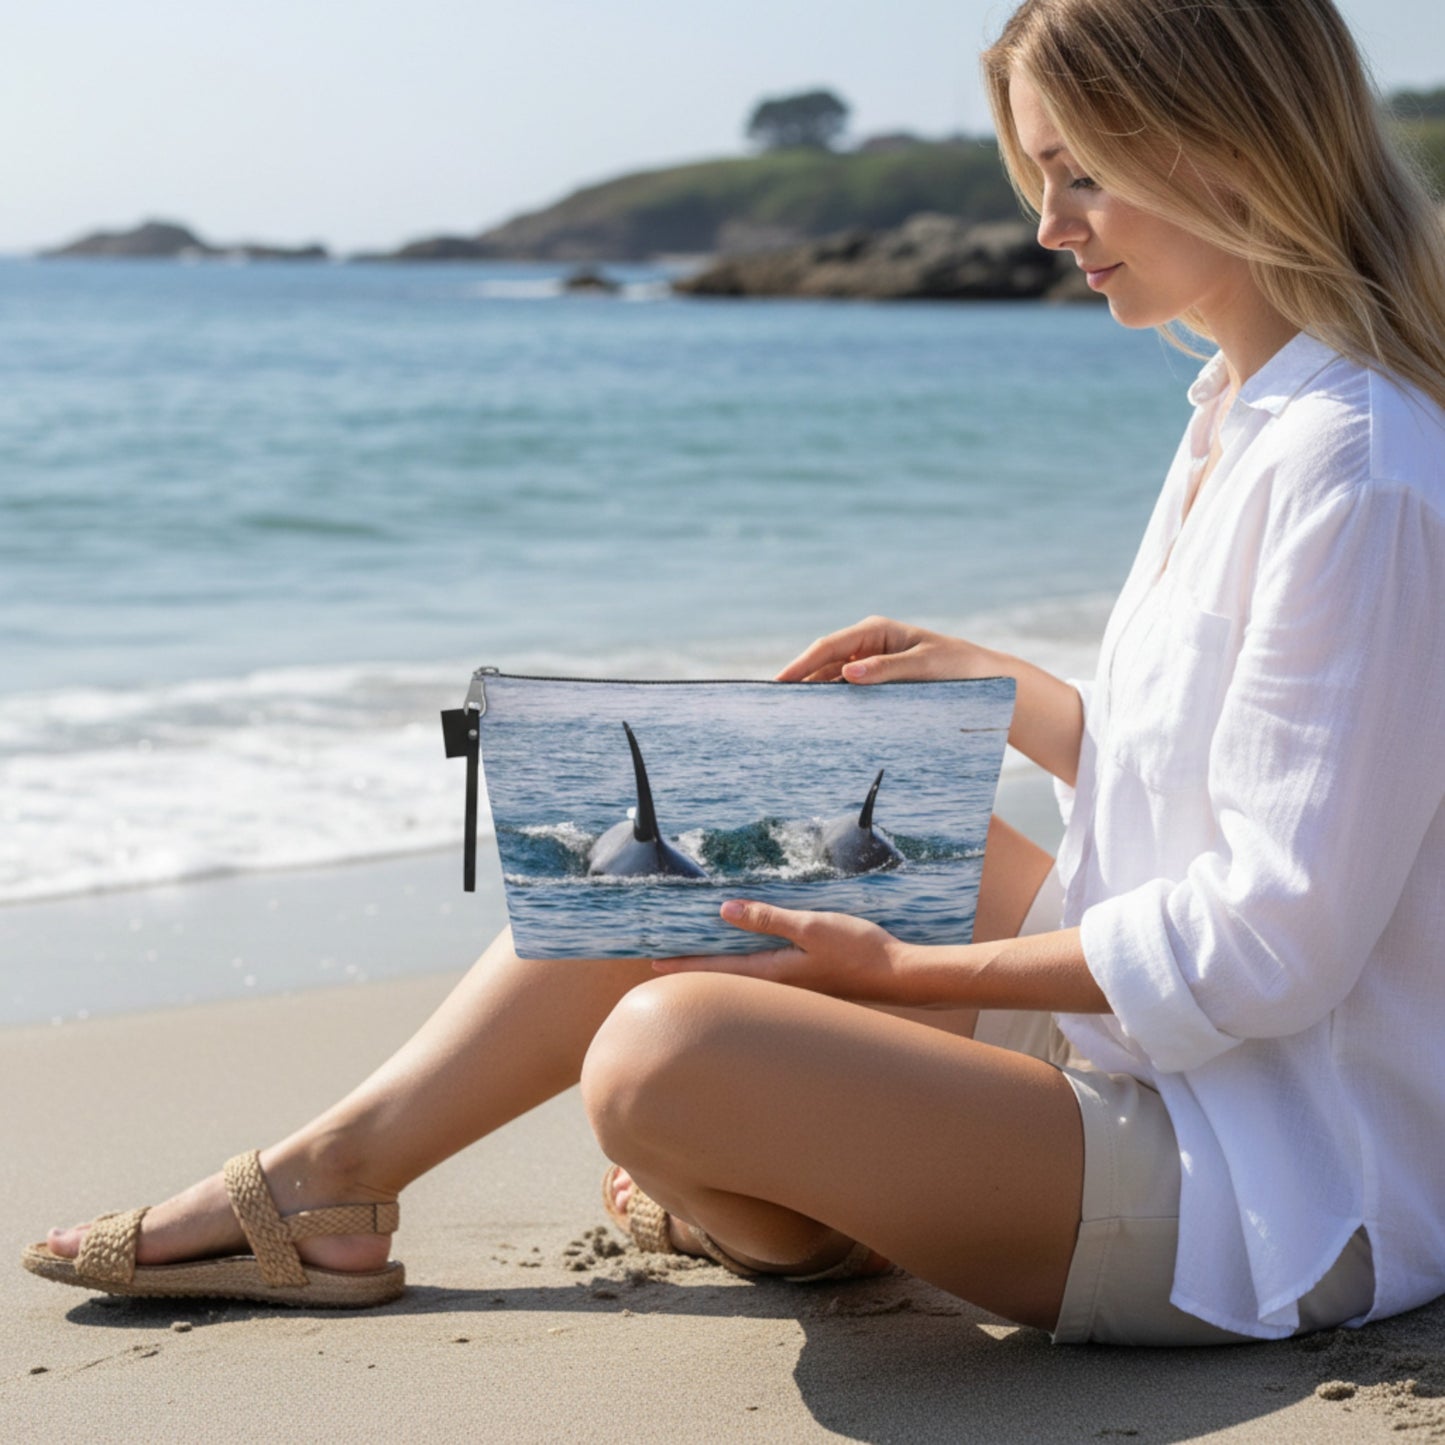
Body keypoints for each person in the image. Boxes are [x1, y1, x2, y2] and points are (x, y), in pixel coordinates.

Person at [23, 0, 1445, 1343]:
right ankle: (333, 1176)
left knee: (661, 1053)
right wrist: (1026, 702)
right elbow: (1243, 780)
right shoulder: (1239, 413)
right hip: (1170, 1051)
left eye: (1076, 174)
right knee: (700, 831)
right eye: (1037, 174)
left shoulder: (1353, 461)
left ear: (1221, 141)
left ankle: (794, 1207)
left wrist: (910, 972)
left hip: (1273, 1176)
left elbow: (1274, 935)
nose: (1043, 224)